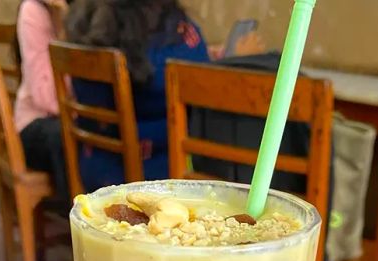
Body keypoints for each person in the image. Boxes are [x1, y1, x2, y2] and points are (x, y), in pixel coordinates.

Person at [65, 0, 264, 192]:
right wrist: (238, 59)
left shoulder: (89, 21)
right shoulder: (177, 35)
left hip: (95, 167)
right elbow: (204, 91)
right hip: (155, 177)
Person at [14, 0, 72, 202]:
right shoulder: (34, 10)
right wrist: (64, 24)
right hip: (36, 122)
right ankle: (78, 225)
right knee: (67, 138)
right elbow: (46, 98)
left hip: (76, 117)